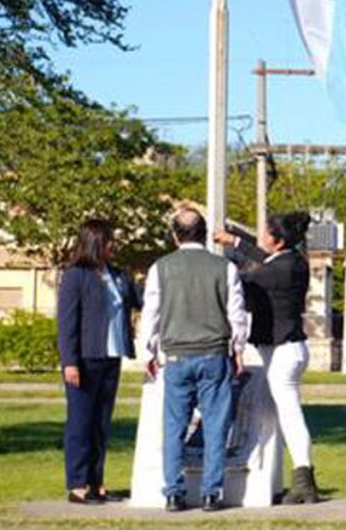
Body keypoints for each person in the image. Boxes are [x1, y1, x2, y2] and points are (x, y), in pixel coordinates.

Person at [138, 207, 248, 512]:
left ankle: (174, 491)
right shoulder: (224, 267)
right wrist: (238, 349)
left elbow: (151, 314)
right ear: (203, 234)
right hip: (214, 354)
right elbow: (236, 315)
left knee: (174, 426)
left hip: (175, 356)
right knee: (216, 426)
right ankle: (212, 492)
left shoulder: (160, 268)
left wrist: (148, 351)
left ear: (175, 236)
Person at [213, 212, 321, 504]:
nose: (260, 237)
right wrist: (236, 241)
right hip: (287, 348)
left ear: (279, 240)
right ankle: (275, 477)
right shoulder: (294, 261)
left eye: (264, 233)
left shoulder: (275, 272)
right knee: (274, 414)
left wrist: (225, 260)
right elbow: (263, 256)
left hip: (282, 351)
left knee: (289, 415)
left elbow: (247, 279)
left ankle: (304, 478)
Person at [57, 219, 140, 504]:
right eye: (108, 241)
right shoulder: (75, 275)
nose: (113, 245)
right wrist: (69, 361)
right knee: (81, 422)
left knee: (101, 423)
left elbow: (139, 300)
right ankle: (78, 482)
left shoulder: (118, 275)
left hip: (111, 356)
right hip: (84, 358)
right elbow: (67, 322)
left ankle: (97, 479)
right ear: (95, 243)